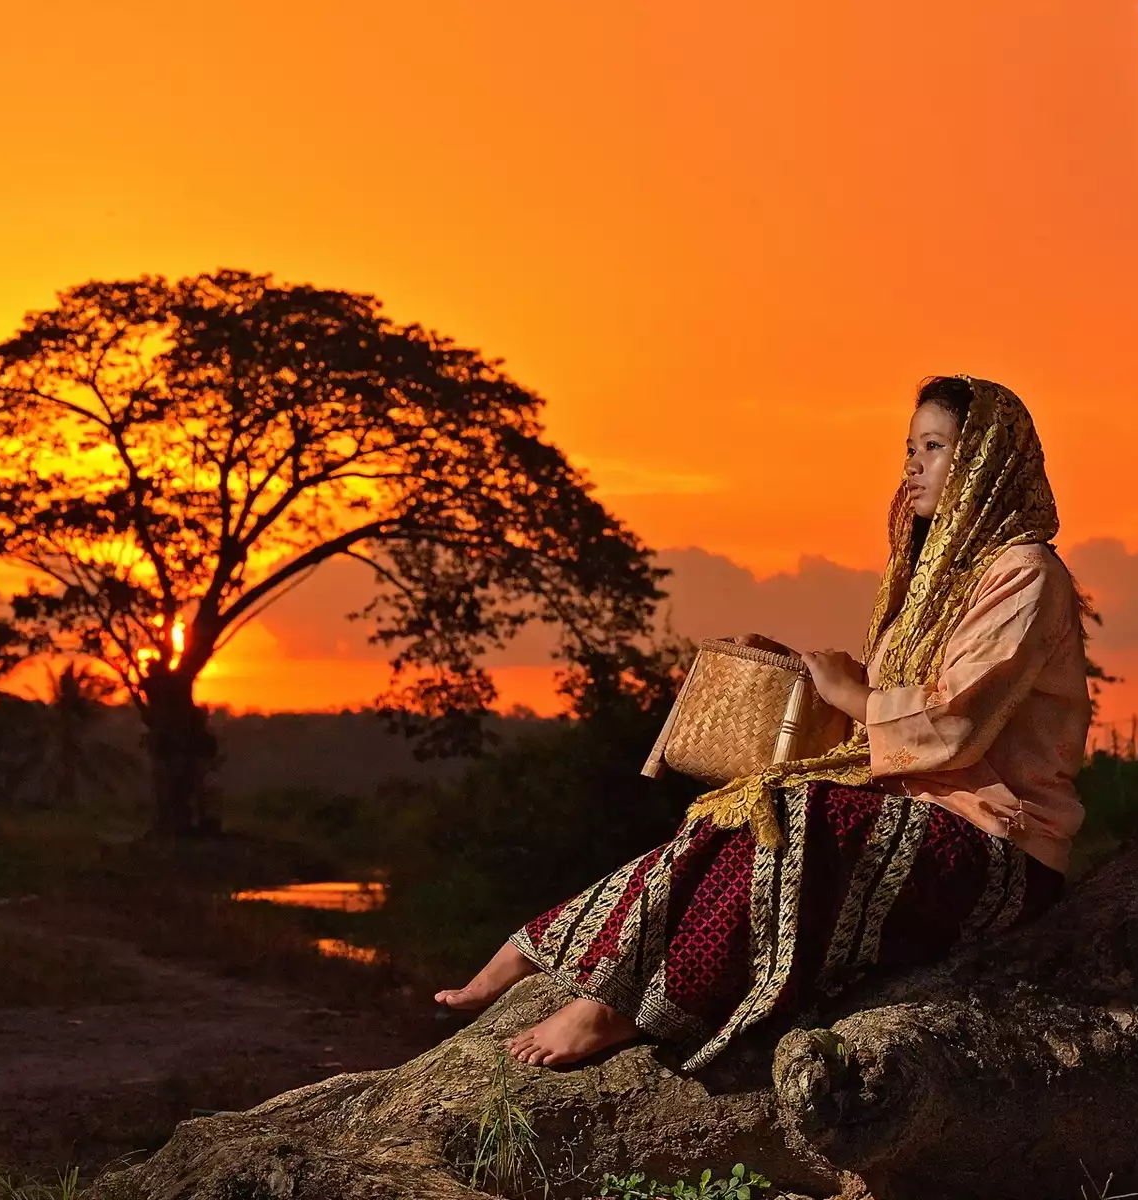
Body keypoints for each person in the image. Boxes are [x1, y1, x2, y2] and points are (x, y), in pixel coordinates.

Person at [434, 374, 1091, 1071]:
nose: (911, 465)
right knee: (733, 810)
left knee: (795, 813)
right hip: (917, 817)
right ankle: (545, 944)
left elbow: (954, 722)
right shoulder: (932, 583)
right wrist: (794, 670)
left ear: (986, 461)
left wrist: (850, 693)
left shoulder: (1025, 573)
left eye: (934, 446)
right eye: (909, 447)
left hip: (998, 849)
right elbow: (892, 718)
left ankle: (619, 1008)